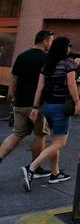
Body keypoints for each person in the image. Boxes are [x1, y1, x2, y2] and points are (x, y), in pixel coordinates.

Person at [21, 36, 80, 191]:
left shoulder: (47, 64)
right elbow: (71, 83)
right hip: (62, 106)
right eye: (68, 46)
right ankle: (31, 168)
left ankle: (55, 173)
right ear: (65, 48)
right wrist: (77, 102)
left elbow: (40, 87)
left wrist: (35, 107)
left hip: (48, 105)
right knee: (60, 142)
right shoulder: (68, 62)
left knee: (54, 140)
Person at [0, 30, 54, 178]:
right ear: (45, 41)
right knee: (40, 134)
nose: (51, 44)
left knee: (17, 134)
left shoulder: (22, 56)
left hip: (20, 102)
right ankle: (35, 168)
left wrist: (13, 97)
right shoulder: (47, 58)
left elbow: (14, 78)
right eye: (51, 41)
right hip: (38, 104)